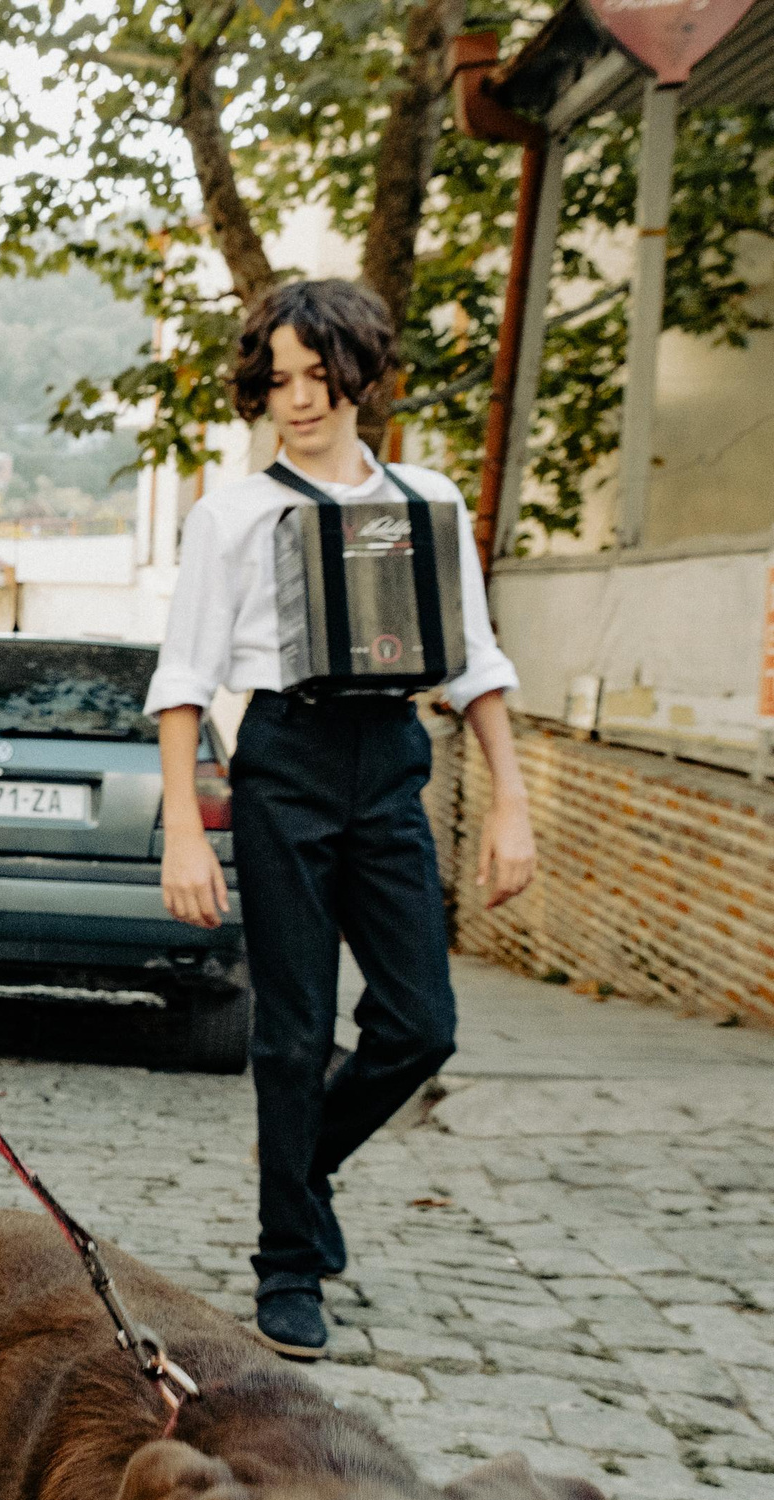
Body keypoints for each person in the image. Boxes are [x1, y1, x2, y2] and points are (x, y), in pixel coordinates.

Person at [148, 278, 535, 1363]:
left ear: (359, 371)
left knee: (421, 1023)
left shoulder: (423, 502)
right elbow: (184, 678)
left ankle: (301, 1169)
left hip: (390, 759)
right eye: (277, 380)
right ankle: (288, 1263)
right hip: (285, 756)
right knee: (292, 1025)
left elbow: (475, 664)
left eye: (318, 376)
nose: (299, 399)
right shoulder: (232, 512)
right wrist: (186, 826)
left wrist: (511, 799)